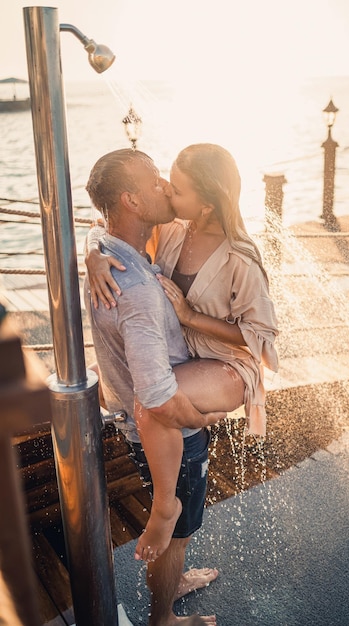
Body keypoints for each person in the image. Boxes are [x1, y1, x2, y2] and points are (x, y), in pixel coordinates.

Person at [85, 143, 279, 560]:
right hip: (186, 361)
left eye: (177, 188)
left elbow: (260, 337)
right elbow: (107, 225)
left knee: (150, 404)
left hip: (228, 365)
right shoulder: (171, 230)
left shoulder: (240, 258)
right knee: (107, 379)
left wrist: (191, 316)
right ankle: (175, 558)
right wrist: (93, 255)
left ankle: (163, 508)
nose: (167, 191)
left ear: (207, 205)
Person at [84, 148, 230, 626]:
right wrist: (204, 417)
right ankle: (163, 616)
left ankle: (175, 575)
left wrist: (90, 251)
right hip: (171, 437)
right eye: (154, 182)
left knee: (175, 532)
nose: (165, 187)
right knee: (178, 534)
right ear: (131, 200)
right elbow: (160, 399)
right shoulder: (140, 291)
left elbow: (93, 228)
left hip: (137, 428)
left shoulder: (111, 251)